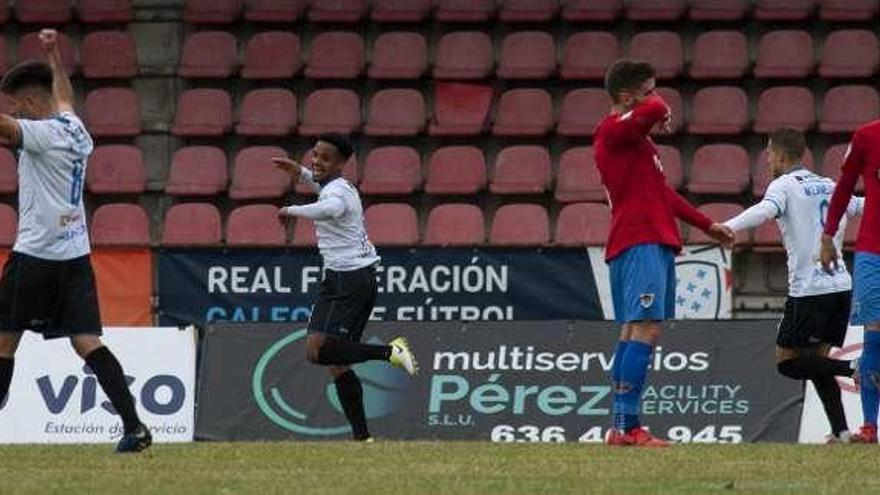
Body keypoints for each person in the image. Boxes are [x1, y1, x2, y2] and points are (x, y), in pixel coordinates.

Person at [0, 30, 150, 453]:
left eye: (14, 104)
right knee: (87, 341)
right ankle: (135, 426)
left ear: (29, 104)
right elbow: (63, 96)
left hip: (36, 257)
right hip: (74, 256)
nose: (12, 111)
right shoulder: (74, 128)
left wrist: (14, 117)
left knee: (4, 341)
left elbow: (6, 128)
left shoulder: (41, 134)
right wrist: (54, 58)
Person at [595, 59, 735, 447]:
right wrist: (659, 106)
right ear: (627, 97)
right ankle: (628, 428)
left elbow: (664, 194)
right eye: (649, 89)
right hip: (639, 241)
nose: (656, 97)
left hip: (643, 240)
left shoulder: (636, 141)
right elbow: (655, 109)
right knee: (646, 328)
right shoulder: (611, 131)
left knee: (632, 330)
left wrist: (708, 226)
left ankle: (621, 427)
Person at [273, 134, 417, 442]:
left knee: (319, 351)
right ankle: (362, 438)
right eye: (315, 155)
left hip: (350, 280)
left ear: (341, 163)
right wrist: (298, 172)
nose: (317, 161)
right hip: (343, 277)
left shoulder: (338, 194)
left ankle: (391, 352)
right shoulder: (333, 185)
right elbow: (319, 185)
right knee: (336, 362)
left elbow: (330, 208)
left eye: (325, 158)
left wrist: (292, 211)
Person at [723, 129, 861, 443]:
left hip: (809, 290)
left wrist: (727, 226)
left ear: (781, 155)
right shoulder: (829, 185)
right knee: (817, 364)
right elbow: (863, 206)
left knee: (788, 362)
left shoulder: (783, 186)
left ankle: (854, 366)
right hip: (840, 286)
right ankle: (841, 432)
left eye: (769, 154)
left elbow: (764, 210)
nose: (767, 160)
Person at [821, 117, 880, 443]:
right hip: (874, 250)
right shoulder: (867, 136)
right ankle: (869, 427)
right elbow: (844, 187)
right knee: (874, 332)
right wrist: (827, 235)